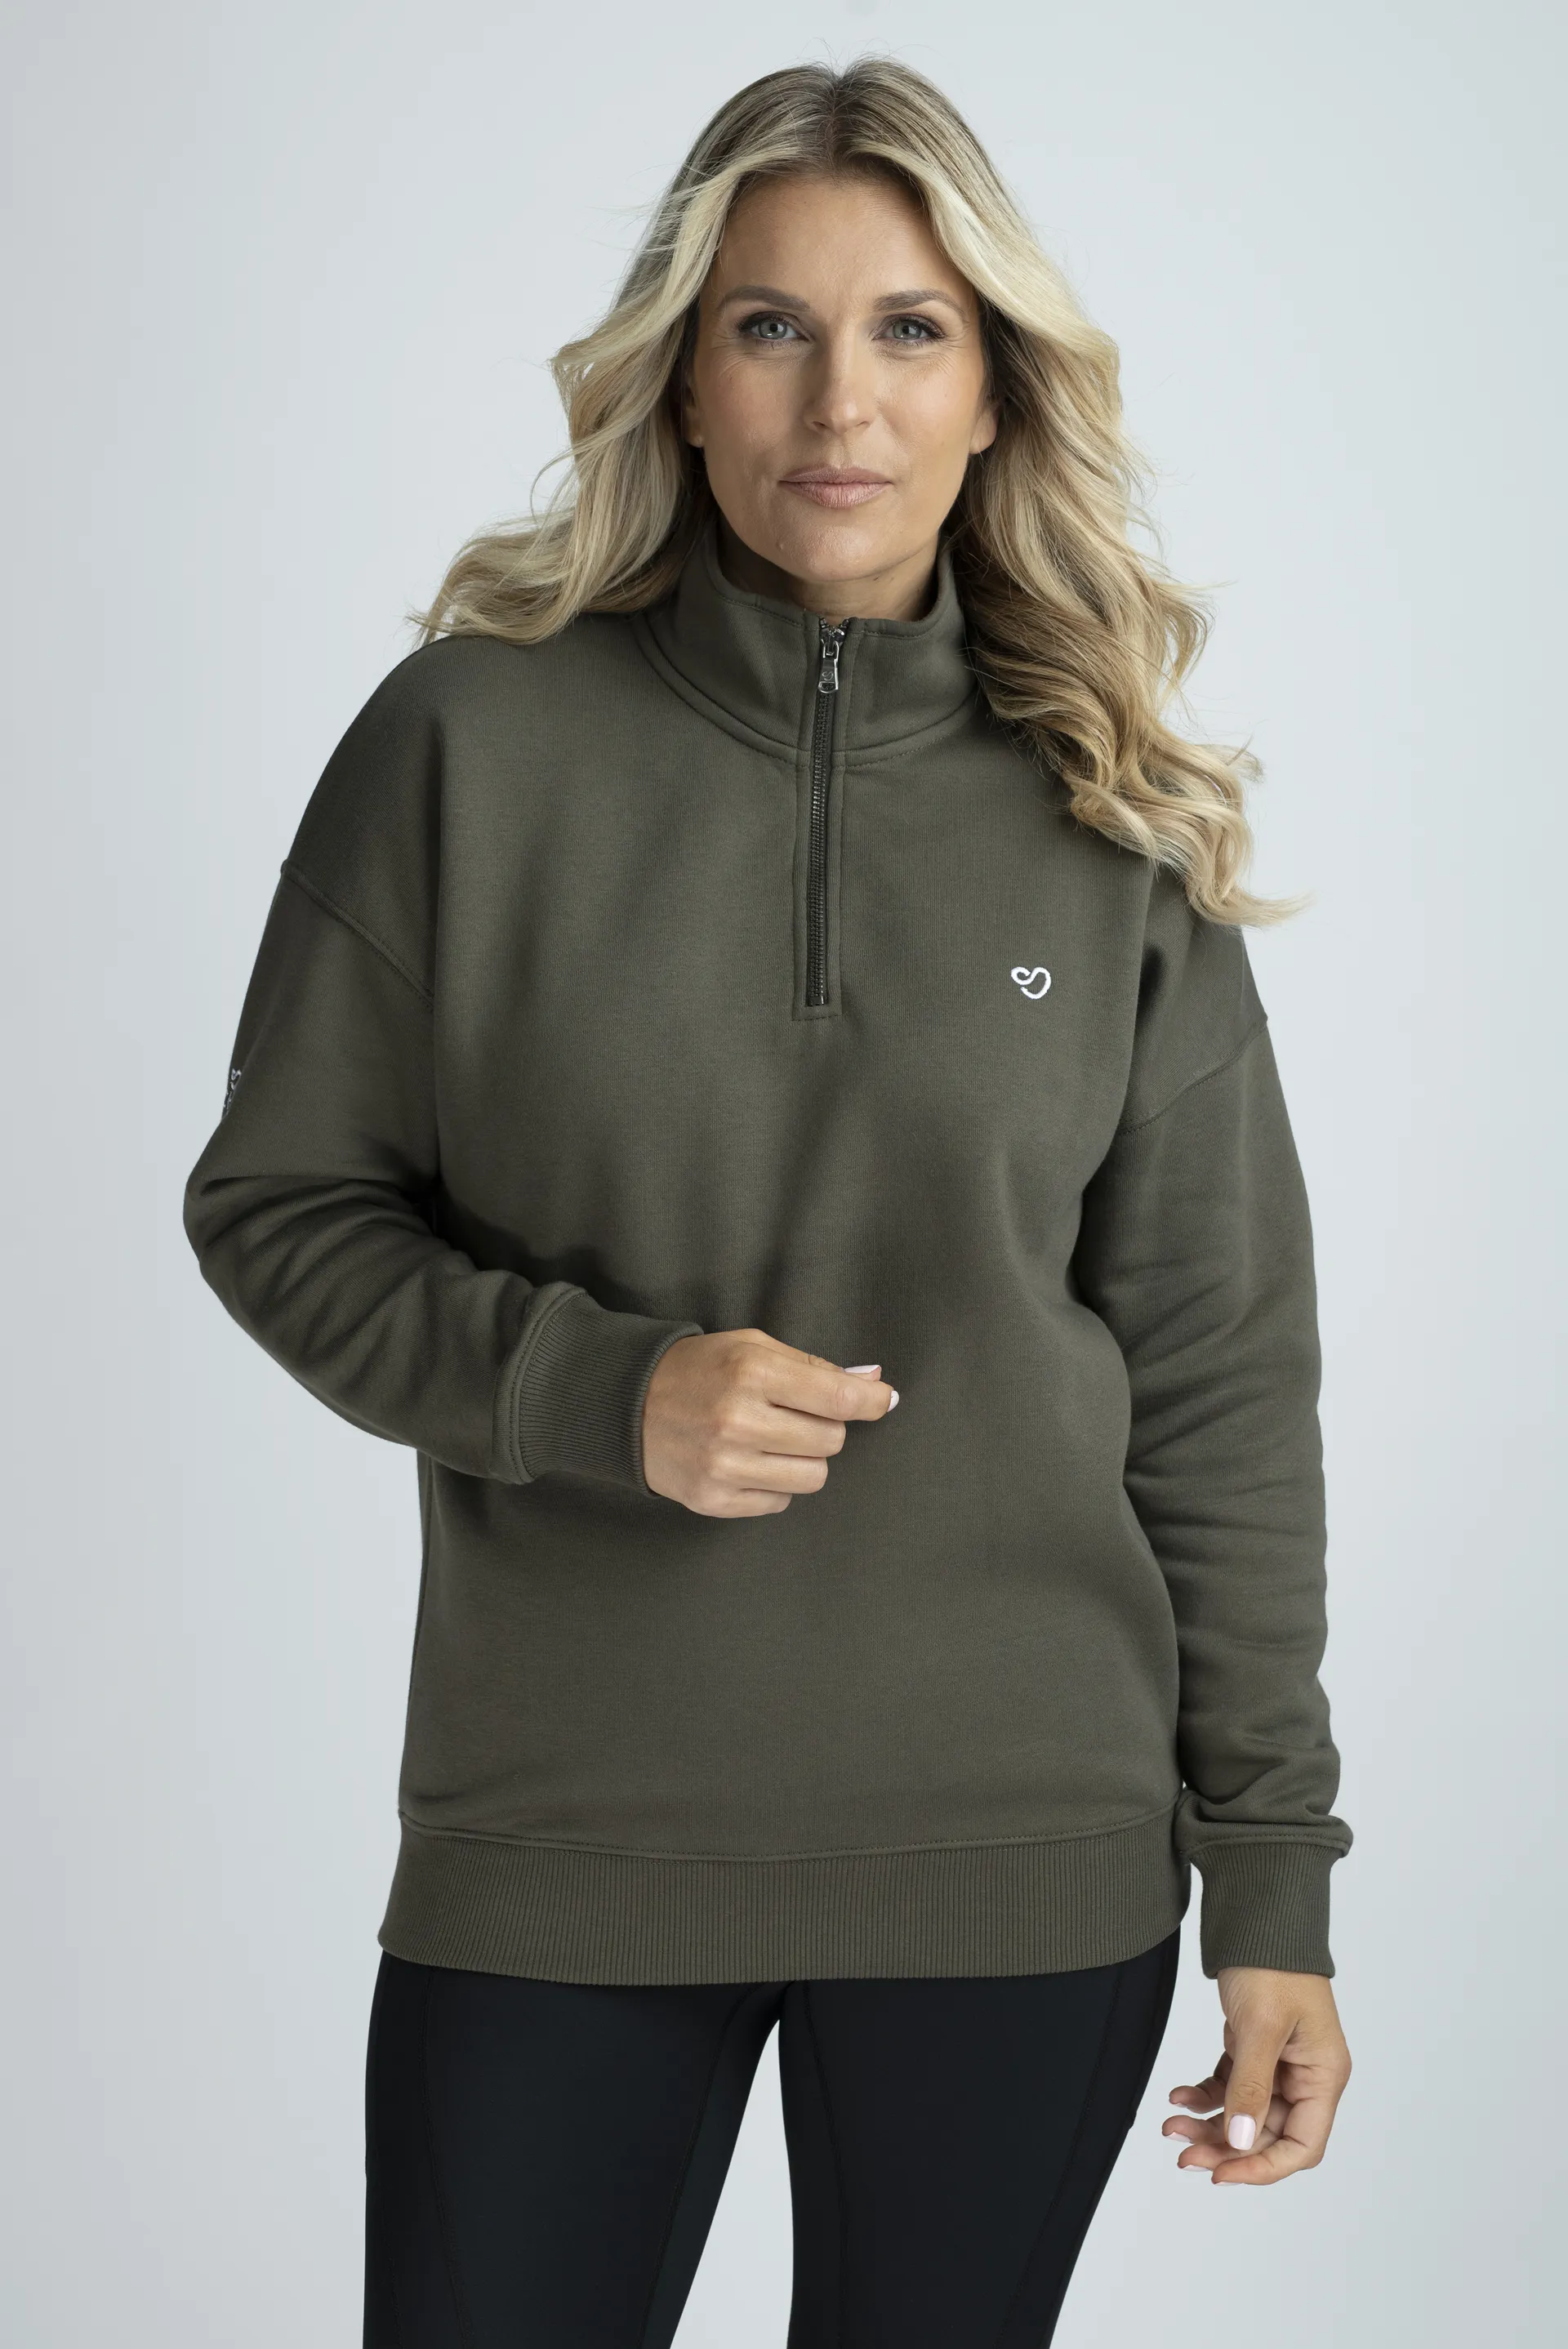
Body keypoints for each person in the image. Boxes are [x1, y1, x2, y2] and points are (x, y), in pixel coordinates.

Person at [184, 56, 1353, 2349]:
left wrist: (1275, 1883)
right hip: (567, 1832)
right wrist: (596, 1392)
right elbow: (283, 1203)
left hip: (1021, 1855)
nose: (843, 399)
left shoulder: (1108, 813)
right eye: (770, 327)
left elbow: (1221, 1379)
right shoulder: (467, 744)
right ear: (680, 377)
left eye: (912, 327)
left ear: (998, 388)